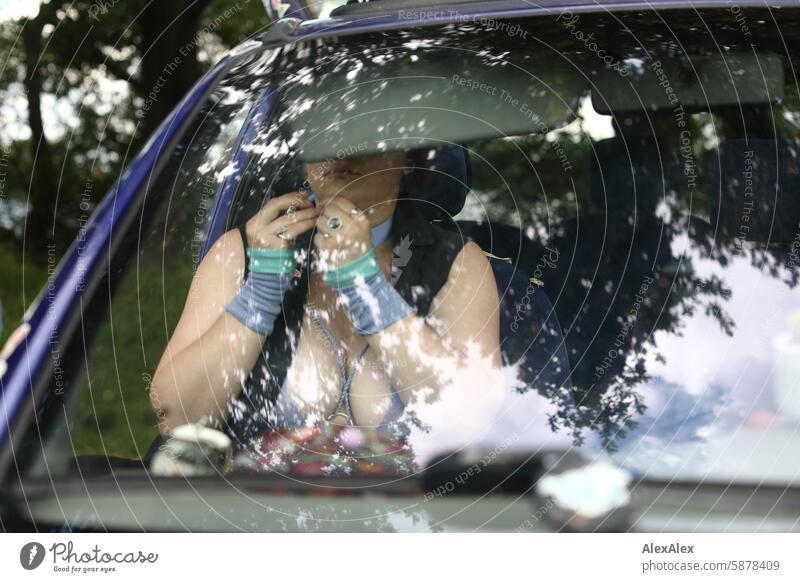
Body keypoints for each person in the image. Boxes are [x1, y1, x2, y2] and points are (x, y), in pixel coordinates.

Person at [149, 150, 504, 450]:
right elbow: (175, 418)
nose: (341, 146)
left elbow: (472, 426)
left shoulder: (455, 261)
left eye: (367, 128)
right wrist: (259, 293)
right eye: (323, 129)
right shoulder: (241, 252)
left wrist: (367, 289)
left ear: (408, 154)